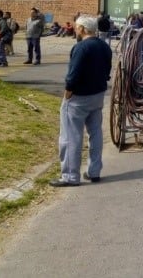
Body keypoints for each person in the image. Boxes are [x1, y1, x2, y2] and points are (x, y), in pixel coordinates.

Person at [50, 15, 112, 187]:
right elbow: (107, 70)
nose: (76, 30)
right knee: (96, 133)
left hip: (79, 97)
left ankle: (70, 175)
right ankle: (94, 171)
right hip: (98, 95)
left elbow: (73, 74)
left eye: (77, 28)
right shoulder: (104, 47)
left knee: (71, 136)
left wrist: (68, 92)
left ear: (83, 29)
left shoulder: (81, 47)